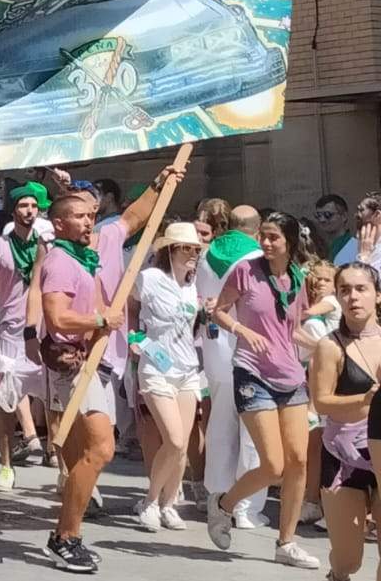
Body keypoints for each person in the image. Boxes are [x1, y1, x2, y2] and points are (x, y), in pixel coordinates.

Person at [38, 159, 179, 574]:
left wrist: (161, 181)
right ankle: (66, 536)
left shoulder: (102, 241)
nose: (88, 222)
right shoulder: (59, 261)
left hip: (107, 360)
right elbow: (57, 318)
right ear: (60, 224)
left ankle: (67, 530)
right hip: (79, 362)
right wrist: (100, 320)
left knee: (87, 451)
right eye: (79, 217)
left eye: (91, 215)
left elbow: (135, 216)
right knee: (101, 448)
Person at [206, 211, 323, 569]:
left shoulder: (298, 278)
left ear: (289, 241)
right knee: (273, 465)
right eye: (264, 236)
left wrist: (326, 348)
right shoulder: (245, 270)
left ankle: (286, 542)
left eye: (274, 237)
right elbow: (218, 312)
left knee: (299, 461)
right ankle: (223, 505)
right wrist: (243, 331)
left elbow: (293, 329)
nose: (266, 243)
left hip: (289, 376)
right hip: (252, 372)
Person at [129, 222, 206, 531]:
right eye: (187, 248)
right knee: (172, 439)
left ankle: (169, 502)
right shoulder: (149, 278)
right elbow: (128, 303)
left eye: (196, 249)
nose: (193, 255)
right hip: (155, 365)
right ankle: (149, 500)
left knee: (182, 445)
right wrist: (135, 336)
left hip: (187, 368)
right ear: (171, 250)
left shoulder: (192, 283)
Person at [308, 262, 381, 581]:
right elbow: (322, 402)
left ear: (377, 295)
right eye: (345, 290)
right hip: (344, 460)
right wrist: (368, 400)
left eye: (361, 288)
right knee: (347, 561)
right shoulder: (329, 346)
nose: (353, 297)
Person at [200, 204, 269, 529]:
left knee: (219, 425)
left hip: (215, 351)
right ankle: (246, 508)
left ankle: (217, 493)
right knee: (255, 430)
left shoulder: (206, 252)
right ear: (257, 229)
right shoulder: (258, 259)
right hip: (249, 349)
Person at [315, 195, 358, 265]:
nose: (322, 220)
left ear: (344, 216)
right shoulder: (318, 247)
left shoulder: (355, 247)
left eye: (328, 215)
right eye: (318, 215)